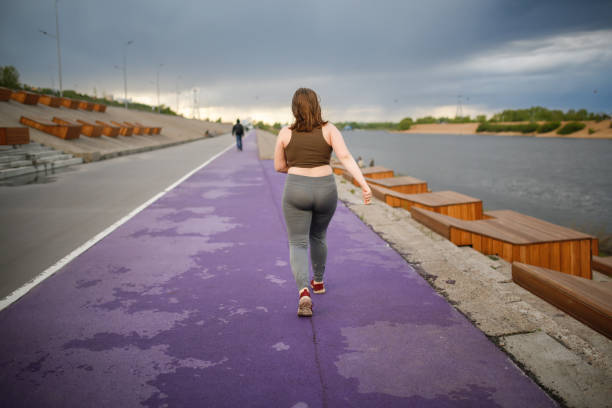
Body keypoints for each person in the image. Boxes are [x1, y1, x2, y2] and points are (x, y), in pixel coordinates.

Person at [274, 88, 372, 317]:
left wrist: (298, 168)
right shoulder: (330, 130)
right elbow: (345, 158)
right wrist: (364, 185)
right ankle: (318, 282)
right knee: (318, 236)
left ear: (294, 108)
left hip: (296, 189)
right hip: (326, 189)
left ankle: (303, 293)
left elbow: (278, 166)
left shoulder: (285, 133)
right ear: (317, 105)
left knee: (297, 243)